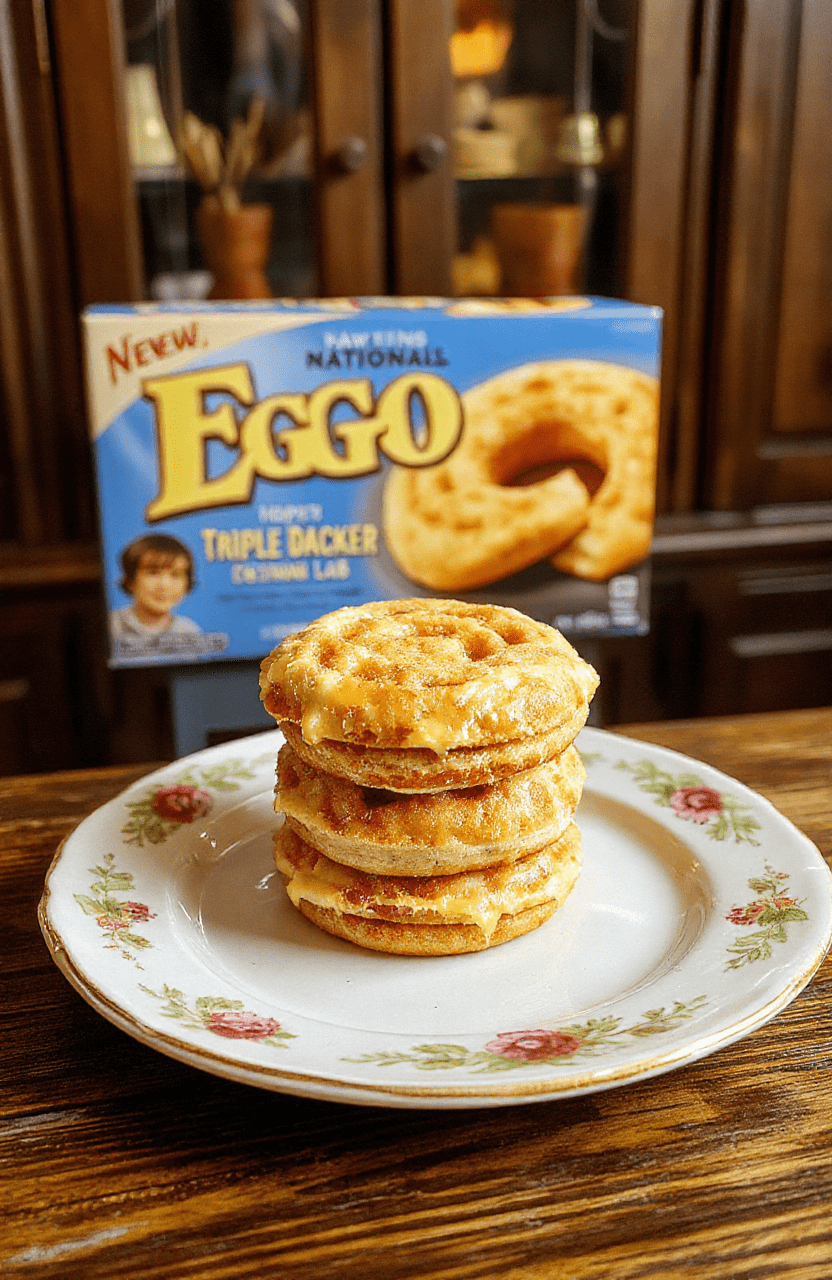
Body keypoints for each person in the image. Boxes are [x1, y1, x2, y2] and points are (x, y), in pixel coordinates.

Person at [110, 533, 203, 656]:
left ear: (187, 584)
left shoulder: (189, 632)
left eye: (175, 574)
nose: (164, 585)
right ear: (130, 581)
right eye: (153, 573)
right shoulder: (113, 626)